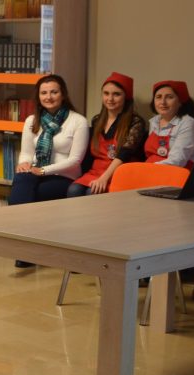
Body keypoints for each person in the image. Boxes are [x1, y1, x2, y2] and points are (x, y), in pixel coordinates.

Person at [10, 74, 89, 266]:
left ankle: (21, 246)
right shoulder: (32, 120)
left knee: (29, 193)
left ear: (63, 94)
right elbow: (26, 153)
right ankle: (25, 247)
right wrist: (24, 164)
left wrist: (43, 170)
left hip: (64, 177)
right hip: (36, 173)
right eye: (44, 93)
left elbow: (75, 160)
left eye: (54, 92)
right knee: (21, 179)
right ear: (38, 96)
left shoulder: (78, 121)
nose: (49, 97)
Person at [67, 72, 147, 197]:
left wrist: (104, 178)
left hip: (118, 172)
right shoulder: (97, 120)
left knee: (91, 192)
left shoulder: (135, 122)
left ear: (126, 97)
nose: (110, 99)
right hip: (96, 171)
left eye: (116, 94)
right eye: (106, 93)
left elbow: (124, 155)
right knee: (73, 190)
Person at [144, 80, 194, 166]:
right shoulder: (154, 121)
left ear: (180, 102)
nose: (163, 102)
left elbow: (177, 161)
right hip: (151, 168)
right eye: (158, 97)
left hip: (175, 171)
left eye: (169, 97)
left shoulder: (188, 123)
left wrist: (148, 169)